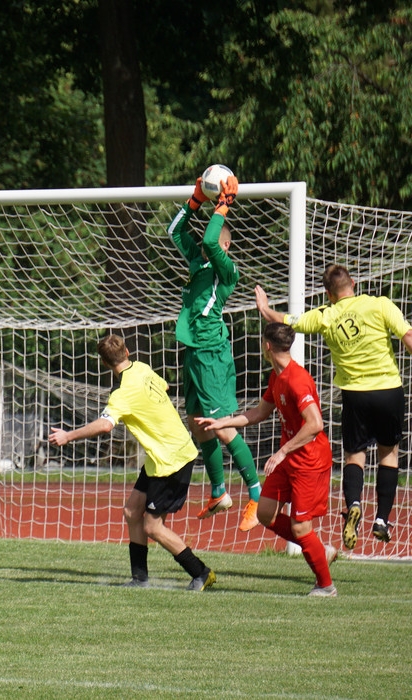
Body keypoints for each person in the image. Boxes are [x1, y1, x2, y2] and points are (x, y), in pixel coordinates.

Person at [256, 264, 412, 548]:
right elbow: (408, 338)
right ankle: (381, 519)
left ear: (328, 294)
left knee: (355, 455)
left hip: (355, 394)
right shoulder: (379, 305)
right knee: (388, 454)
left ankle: (353, 504)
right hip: (389, 390)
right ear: (353, 283)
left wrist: (265, 309)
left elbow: (289, 321)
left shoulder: (326, 316)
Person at [49, 334, 215, 591]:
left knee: (152, 526)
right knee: (131, 511)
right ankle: (139, 579)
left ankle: (201, 572)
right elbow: (165, 387)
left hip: (172, 459)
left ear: (104, 364)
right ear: (127, 352)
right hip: (161, 456)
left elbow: (105, 425)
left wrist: (67, 436)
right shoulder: (142, 368)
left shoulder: (122, 393)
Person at [197, 323, 338, 595]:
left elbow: (315, 424)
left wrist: (283, 451)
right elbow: (258, 413)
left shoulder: (297, 379)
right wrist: (221, 423)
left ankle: (326, 585)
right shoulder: (277, 376)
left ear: (267, 346)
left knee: (299, 527)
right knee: (264, 513)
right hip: (289, 460)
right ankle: (320, 550)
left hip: (309, 462)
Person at [168, 174, 263, 531]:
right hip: (193, 353)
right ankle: (219, 491)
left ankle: (255, 492)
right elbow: (174, 232)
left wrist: (223, 204)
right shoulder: (199, 262)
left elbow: (209, 237)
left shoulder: (226, 269)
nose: (207, 244)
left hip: (211, 354)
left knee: (222, 427)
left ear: (224, 246)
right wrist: (195, 200)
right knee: (198, 424)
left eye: (215, 242)